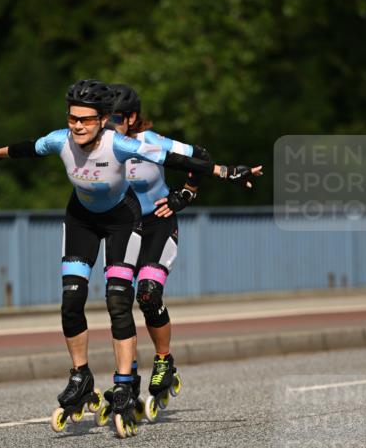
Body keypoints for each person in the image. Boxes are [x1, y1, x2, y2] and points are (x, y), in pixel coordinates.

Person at [0, 79, 259, 437]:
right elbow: (25, 149)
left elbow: (179, 158)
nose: (78, 126)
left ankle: (129, 379)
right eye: (72, 118)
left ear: (106, 119)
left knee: (123, 298)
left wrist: (219, 175)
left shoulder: (124, 144)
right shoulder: (59, 139)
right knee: (72, 299)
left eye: (87, 119)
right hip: (81, 219)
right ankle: (80, 376)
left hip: (127, 221)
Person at [104, 84, 262, 418]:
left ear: (132, 118)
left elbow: (201, 156)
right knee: (118, 299)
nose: (109, 124)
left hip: (158, 225)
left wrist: (185, 193)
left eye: (116, 118)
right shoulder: (97, 146)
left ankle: (164, 361)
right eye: (105, 118)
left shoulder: (152, 142)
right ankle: (126, 376)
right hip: (123, 229)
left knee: (147, 295)